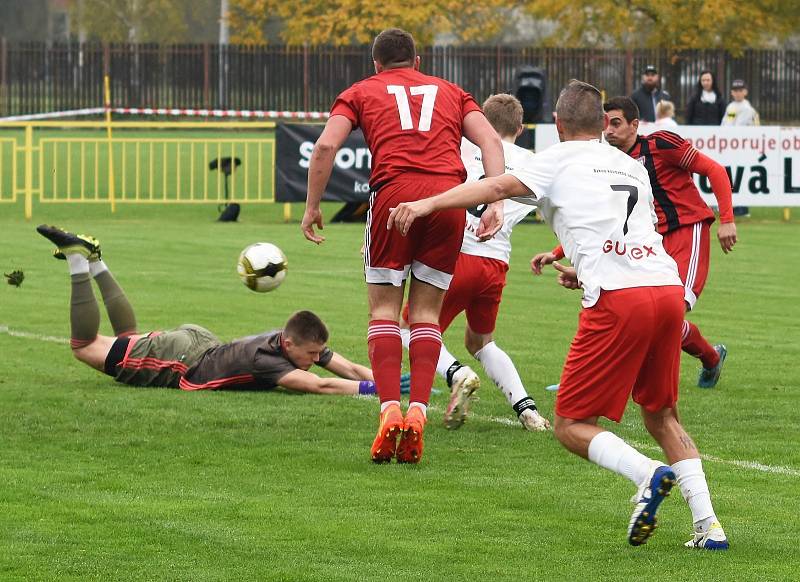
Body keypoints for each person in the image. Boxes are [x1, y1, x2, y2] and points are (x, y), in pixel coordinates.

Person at [387, 80, 729, 550]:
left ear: (558, 125)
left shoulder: (557, 158)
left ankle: (647, 473)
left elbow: (492, 185)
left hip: (619, 298)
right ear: (601, 125)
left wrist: (426, 202)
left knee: (571, 425)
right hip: (666, 290)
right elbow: (621, 227)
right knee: (661, 415)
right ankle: (709, 526)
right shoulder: (632, 166)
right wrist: (582, 270)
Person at [300, 28, 505, 464]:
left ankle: (390, 409)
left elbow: (325, 146)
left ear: (376, 63)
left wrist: (312, 206)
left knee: (384, 312)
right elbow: (490, 140)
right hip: (447, 200)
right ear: (418, 60)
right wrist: (494, 201)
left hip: (394, 196)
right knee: (427, 314)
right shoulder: (452, 92)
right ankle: (418, 414)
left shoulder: (360, 90)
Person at [36, 225, 403, 396]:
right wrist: (372, 390)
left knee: (127, 341)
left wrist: (380, 377)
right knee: (84, 346)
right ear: (289, 345)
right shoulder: (270, 361)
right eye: (309, 354)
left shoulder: (293, 342)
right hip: (185, 359)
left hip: (198, 342)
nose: (314, 358)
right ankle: (77, 260)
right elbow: (320, 384)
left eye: (315, 353)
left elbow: (340, 366)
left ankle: (96, 259)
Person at [533, 96, 737, 388]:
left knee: (668, 312)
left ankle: (633, 380)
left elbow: (714, 170)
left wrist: (727, 219)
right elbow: (608, 218)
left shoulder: (661, 144)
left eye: (616, 123)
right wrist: (557, 252)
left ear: (635, 125)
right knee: (632, 308)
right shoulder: (610, 162)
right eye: (606, 123)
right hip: (647, 242)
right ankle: (710, 359)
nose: (610, 130)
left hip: (686, 231)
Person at [398, 93, 550, 432]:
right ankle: (527, 410)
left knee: (410, 329)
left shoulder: (463, 148)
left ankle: (458, 373)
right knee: (481, 341)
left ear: (480, 121)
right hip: (495, 264)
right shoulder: (533, 163)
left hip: (456, 256)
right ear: (521, 128)